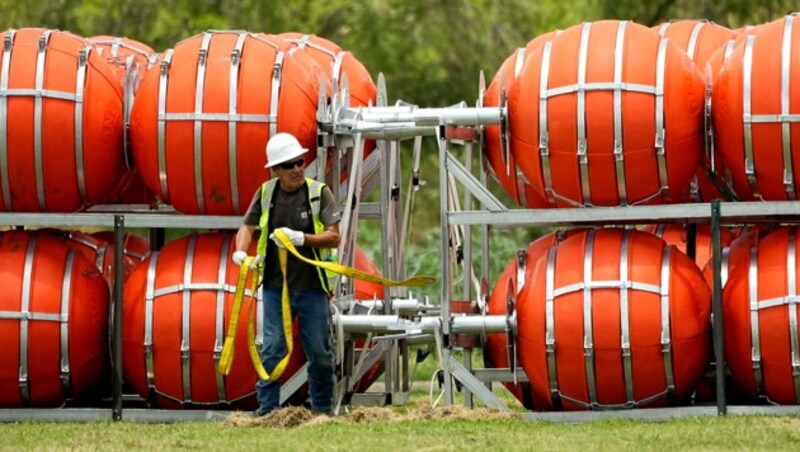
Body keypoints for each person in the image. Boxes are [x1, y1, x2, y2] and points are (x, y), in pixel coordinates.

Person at [232, 132, 341, 416]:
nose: (297, 169)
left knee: (319, 353)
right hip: (274, 287)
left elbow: (334, 237)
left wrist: (302, 239)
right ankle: (267, 412)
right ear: (275, 170)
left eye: (300, 162)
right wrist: (241, 252)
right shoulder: (266, 193)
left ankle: (322, 412)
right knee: (272, 350)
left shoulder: (319, 193)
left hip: (312, 288)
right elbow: (247, 227)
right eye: (289, 165)